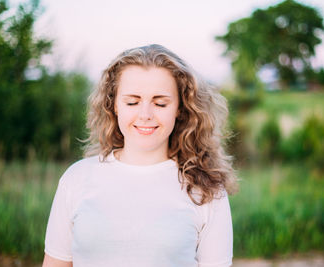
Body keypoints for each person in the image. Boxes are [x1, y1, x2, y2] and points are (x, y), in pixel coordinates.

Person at [42, 44, 238, 267]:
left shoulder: (207, 189)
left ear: (180, 109)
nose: (145, 115)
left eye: (160, 103)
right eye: (132, 102)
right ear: (113, 105)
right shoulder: (76, 178)